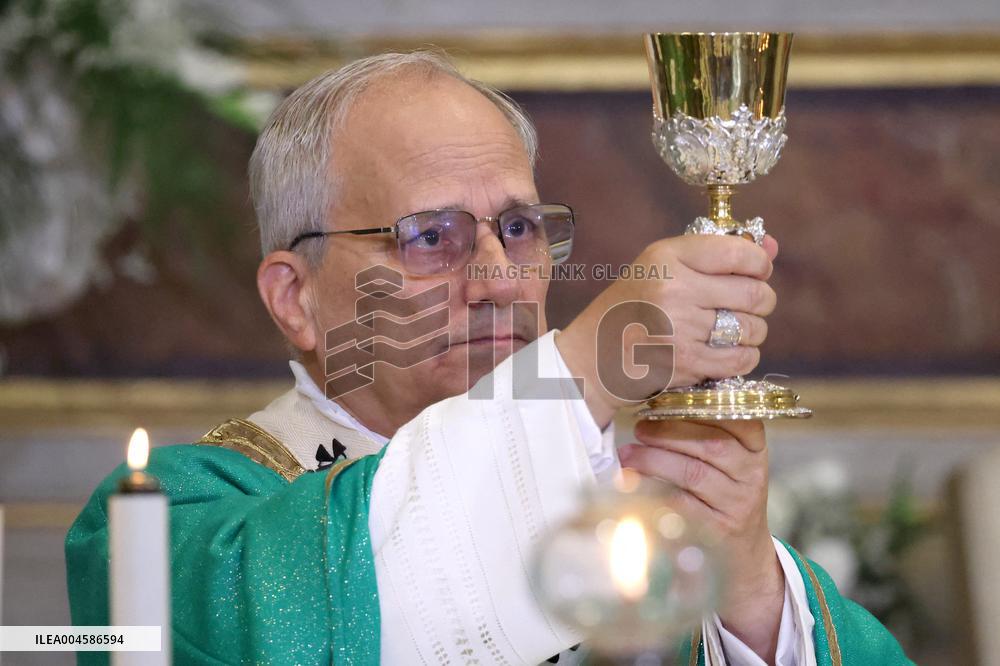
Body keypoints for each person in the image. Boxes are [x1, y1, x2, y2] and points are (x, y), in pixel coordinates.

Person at [66, 51, 910, 665]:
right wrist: (594, 357)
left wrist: (748, 593)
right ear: (297, 297)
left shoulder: (630, 516)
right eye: (431, 237)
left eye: (518, 227)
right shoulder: (164, 528)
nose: (501, 280)